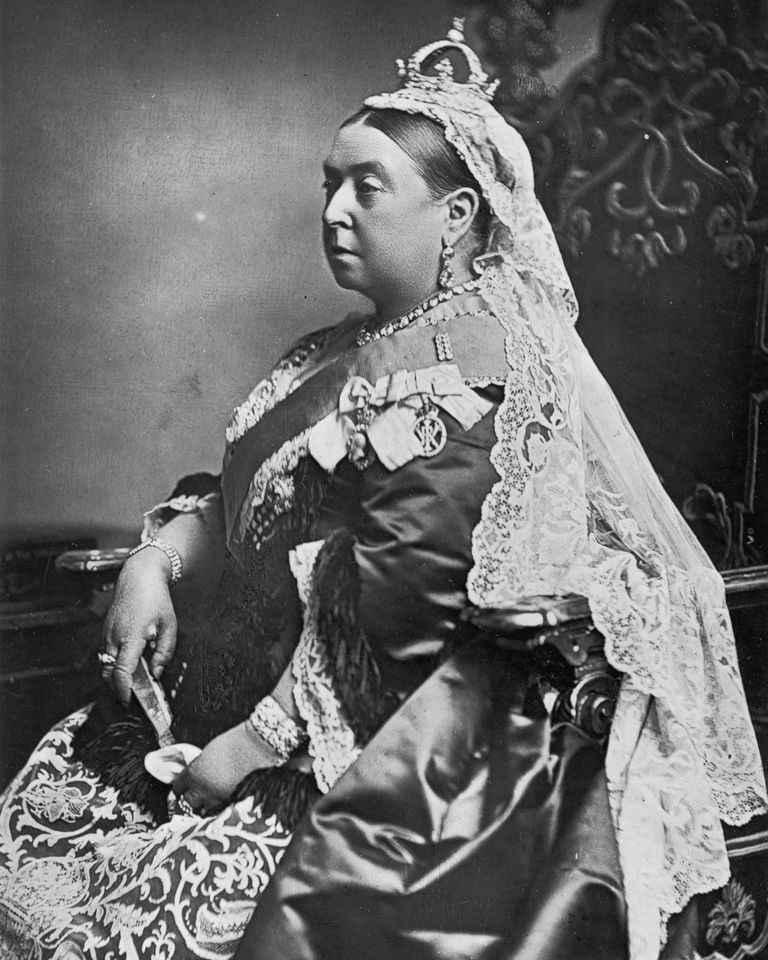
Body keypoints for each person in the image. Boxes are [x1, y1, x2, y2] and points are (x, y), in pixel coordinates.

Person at [0, 19, 765, 960]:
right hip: (220, 699)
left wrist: (249, 747)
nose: (334, 211)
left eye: (369, 187)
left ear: (458, 214)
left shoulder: (474, 376)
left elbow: (401, 615)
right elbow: (248, 500)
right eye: (329, 183)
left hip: (361, 756)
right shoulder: (333, 349)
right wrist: (154, 562)